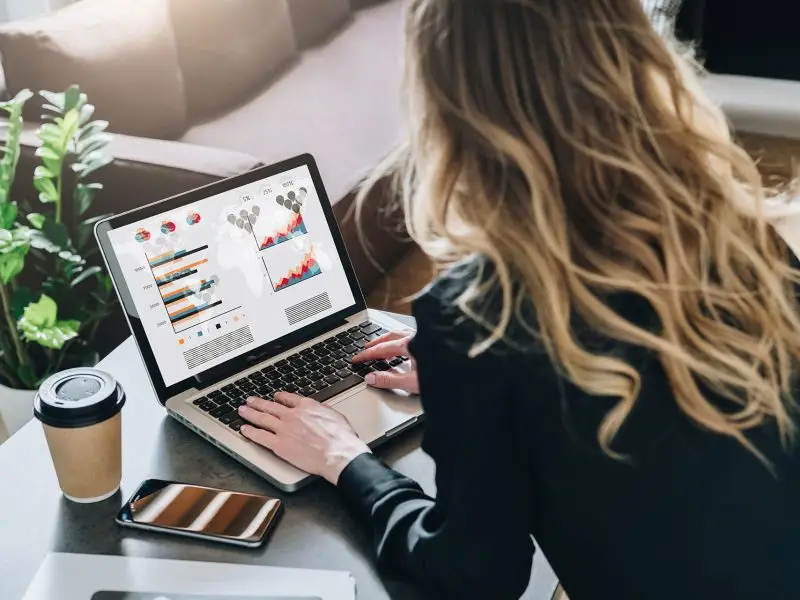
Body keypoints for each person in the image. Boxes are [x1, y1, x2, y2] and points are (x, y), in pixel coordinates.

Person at [236, 1, 800, 598]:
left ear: (452, 106)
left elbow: (473, 576)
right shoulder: (749, 234)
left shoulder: (479, 315)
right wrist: (479, 384)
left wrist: (346, 459)